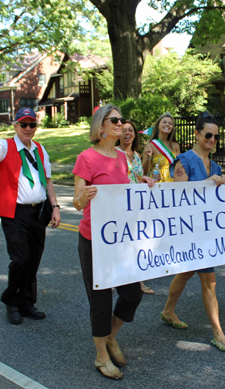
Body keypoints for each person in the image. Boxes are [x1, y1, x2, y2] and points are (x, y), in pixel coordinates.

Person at [73, 105, 154, 380]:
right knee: (100, 299)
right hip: (93, 240)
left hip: (121, 239)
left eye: (122, 121)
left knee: (132, 294)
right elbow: (76, 202)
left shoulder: (123, 157)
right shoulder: (86, 158)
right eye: (115, 120)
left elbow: (127, 189)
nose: (121, 124)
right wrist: (87, 195)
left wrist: (143, 183)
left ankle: (110, 335)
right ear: (101, 126)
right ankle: (101, 356)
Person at [161, 111, 225, 353]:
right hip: (189, 231)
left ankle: (168, 310)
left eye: (216, 136)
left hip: (207, 230)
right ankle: (218, 333)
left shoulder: (215, 165)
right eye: (208, 135)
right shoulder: (184, 161)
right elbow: (179, 196)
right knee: (209, 280)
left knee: (186, 272)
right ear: (197, 134)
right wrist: (207, 183)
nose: (213, 140)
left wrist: (222, 182)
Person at [0, 107, 61, 324]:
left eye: (32, 124)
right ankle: (11, 301)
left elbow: (48, 181)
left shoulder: (40, 150)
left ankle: (27, 302)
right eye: (23, 124)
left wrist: (55, 207)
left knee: (33, 260)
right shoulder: (6, 146)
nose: (28, 128)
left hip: (39, 210)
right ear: (15, 126)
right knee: (21, 258)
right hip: (15, 212)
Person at [116, 119, 155, 294]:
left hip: (137, 206)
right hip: (120, 205)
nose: (127, 133)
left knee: (136, 243)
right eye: (124, 130)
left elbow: (142, 175)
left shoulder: (137, 155)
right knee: (118, 243)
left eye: (130, 130)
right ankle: (111, 279)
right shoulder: (114, 154)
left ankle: (137, 281)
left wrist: (147, 157)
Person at [142, 112, 180, 182]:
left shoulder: (175, 145)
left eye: (170, 123)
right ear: (158, 126)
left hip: (173, 184)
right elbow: (144, 172)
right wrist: (148, 157)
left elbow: (179, 168)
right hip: (157, 184)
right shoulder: (151, 145)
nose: (167, 125)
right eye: (164, 122)